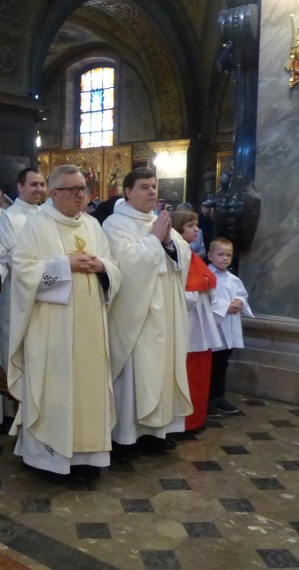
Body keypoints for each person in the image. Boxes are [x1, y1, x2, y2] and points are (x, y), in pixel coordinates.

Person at [8, 164, 120, 479]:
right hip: (52, 328)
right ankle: (50, 460)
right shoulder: (36, 226)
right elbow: (23, 271)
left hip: (91, 328)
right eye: (72, 190)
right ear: (54, 193)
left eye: (83, 188)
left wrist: (101, 267)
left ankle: (89, 458)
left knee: (88, 389)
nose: (80, 195)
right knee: (56, 388)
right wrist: (64, 264)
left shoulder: (93, 226)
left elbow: (114, 266)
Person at [103, 168, 192, 460]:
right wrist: (155, 240)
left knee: (162, 370)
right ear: (128, 191)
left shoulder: (159, 221)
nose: (152, 192)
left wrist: (167, 241)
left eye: (154, 186)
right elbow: (123, 265)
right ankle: (126, 437)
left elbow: (183, 255)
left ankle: (157, 432)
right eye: (144, 187)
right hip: (136, 313)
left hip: (165, 310)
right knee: (137, 372)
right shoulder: (115, 225)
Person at [0, 168, 45, 373]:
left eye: (41, 184)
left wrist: (51, 278)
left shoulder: (47, 214)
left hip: (45, 290)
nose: (39, 189)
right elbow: (12, 258)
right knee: (17, 346)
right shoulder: (9, 218)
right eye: (33, 184)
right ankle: (13, 401)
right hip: (18, 292)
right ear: (20, 187)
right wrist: (47, 272)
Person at [171, 210, 221, 429]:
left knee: (199, 374)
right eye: (191, 225)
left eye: (197, 224)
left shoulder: (191, 254)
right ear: (178, 227)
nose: (197, 229)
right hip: (187, 323)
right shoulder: (176, 253)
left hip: (200, 322)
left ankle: (196, 419)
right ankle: (184, 423)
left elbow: (208, 283)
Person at [207, 237, 253, 415]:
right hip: (215, 327)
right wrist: (226, 306)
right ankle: (208, 399)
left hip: (230, 326)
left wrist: (239, 302)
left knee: (223, 364)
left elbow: (242, 294)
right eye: (220, 254)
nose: (225, 258)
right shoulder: (207, 275)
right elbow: (205, 300)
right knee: (212, 365)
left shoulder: (233, 279)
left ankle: (219, 397)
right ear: (210, 256)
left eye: (228, 255)